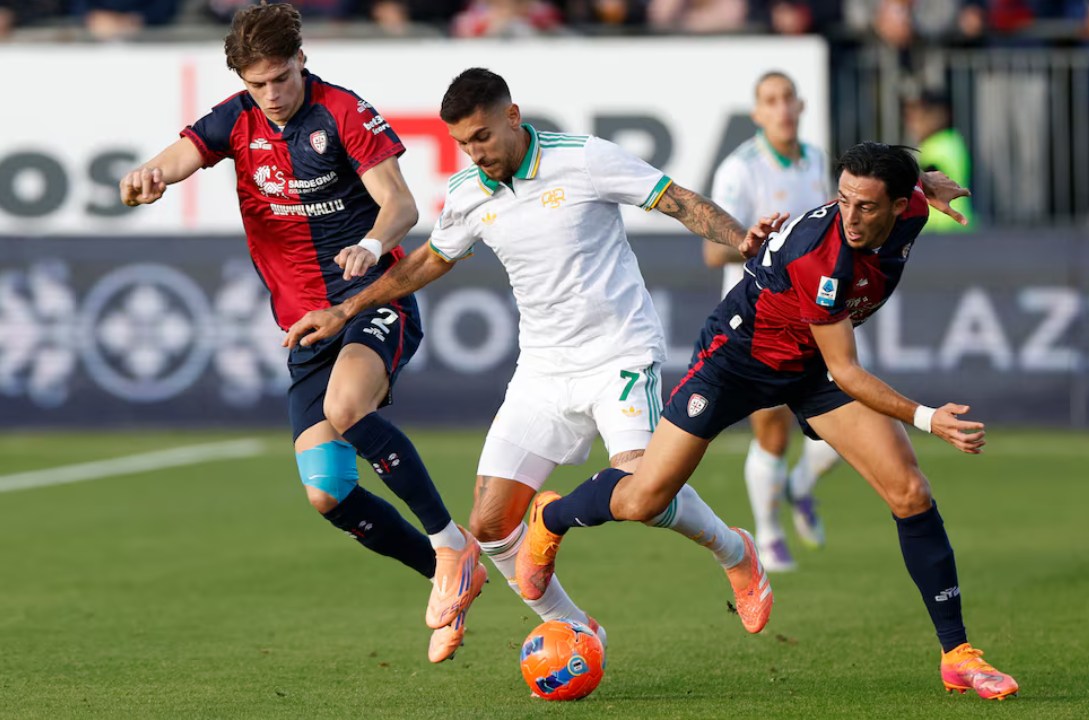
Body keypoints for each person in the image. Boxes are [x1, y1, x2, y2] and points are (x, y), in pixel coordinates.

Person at [284, 68, 783, 641]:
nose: (475, 153)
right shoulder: (470, 193)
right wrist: (346, 311)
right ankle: (572, 629)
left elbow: (677, 201)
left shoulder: (585, 159)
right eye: (463, 144)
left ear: (513, 117)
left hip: (620, 353)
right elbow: (429, 261)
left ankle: (735, 552)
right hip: (542, 370)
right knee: (491, 524)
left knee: (642, 494)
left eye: (483, 137)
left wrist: (740, 238)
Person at [517, 143, 1020, 701]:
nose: (850, 217)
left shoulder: (914, 210)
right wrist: (928, 417)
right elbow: (849, 372)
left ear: (901, 206)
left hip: (810, 366)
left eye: (867, 207)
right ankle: (553, 516)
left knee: (909, 492)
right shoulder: (823, 256)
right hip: (736, 359)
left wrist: (929, 182)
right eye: (843, 199)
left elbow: (909, 181)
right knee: (644, 500)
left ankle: (958, 655)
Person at [117, 2, 485, 664]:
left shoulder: (342, 112)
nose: (272, 95)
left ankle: (451, 542)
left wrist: (373, 246)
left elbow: (400, 204)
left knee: (347, 409)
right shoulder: (238, 118)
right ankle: (446, 579)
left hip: (373, 297)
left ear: (301, 61)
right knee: (327, 492)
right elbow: (182, 155)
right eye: (258, 84)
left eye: (281, 78)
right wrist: (149, 175)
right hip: (304, 327)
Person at [707, 70, 840, 570]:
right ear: (758, 113)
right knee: (773, 433)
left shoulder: (816, 161)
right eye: (770, 101)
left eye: (788, 98)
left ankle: (801, 484)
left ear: (800, 106)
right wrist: (768, 247)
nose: (782, 108)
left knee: (847, 425)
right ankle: (767, 537)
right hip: (760, 316)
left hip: (818, 312)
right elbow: (712, 252)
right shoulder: (739, 170)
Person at [903, 89, 973, 233]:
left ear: (939, 115)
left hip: (944, 229)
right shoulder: (951, 141)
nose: (913, 125)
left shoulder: (940, 145)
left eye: (919, 117)